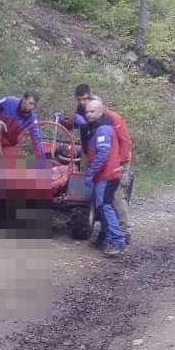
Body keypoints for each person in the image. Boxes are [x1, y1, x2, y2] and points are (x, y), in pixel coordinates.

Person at [61, 84, 133, 242]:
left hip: (116, 158)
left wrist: (120, 163)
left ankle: (123, 230)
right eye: (79, 100)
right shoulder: (83, 113)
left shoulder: (112, 118)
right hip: (91, 154)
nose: (82, 103)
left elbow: (125, 142)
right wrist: (65, 121)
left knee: (115, 194)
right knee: (87, 190)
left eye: (84, 99)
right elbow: (75, 123)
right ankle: (91, 222)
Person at [78, 96, 125, 256]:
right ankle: (106, 237)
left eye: (92, 112)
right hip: (105, 174)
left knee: (105, 207)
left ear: (100, 112)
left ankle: (117, 241)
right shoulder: (98, 127)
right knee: (103, 206)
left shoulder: (103, 129)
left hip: (108, 175)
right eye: (87, 112)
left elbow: (102, 154)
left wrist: (90, 172)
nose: (88, 114)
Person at [0, 91, 45, 164]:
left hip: (10, 144)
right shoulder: (8, 101)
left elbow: (37, 141)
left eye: (34, 105)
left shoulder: (32, 119)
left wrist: (41, 160)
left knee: (8, 167)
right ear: (24, 99)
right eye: (30, 103)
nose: (32, 107)